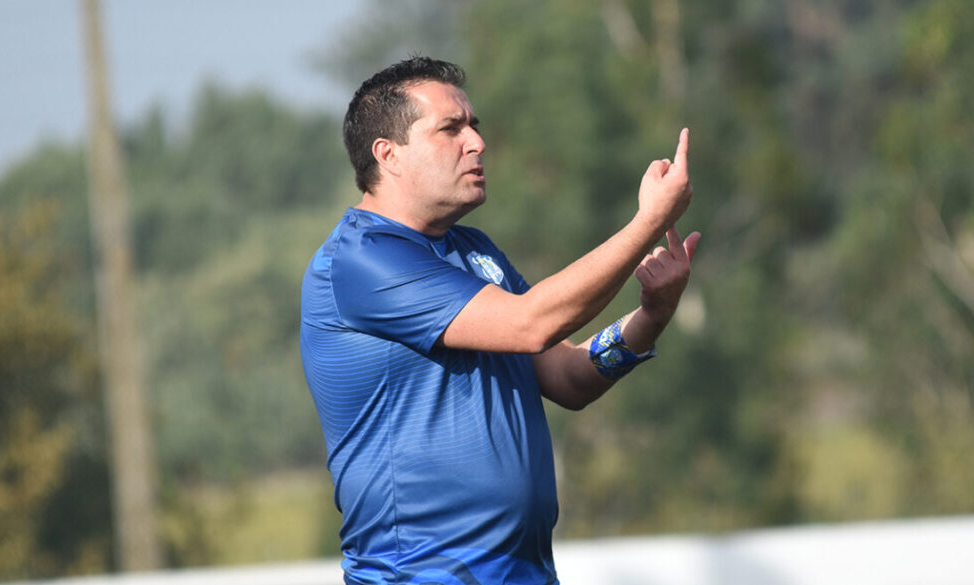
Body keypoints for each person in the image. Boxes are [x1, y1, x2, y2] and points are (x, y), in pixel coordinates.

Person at [300, 56, 700, 585]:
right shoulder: (360, 260)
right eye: (451, 128)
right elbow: (531, 324)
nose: (477, 142)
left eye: (474, 125)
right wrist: (648, 222)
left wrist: (652, 315)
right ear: (388, 154)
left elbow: (567, 375)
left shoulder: (474, 250)